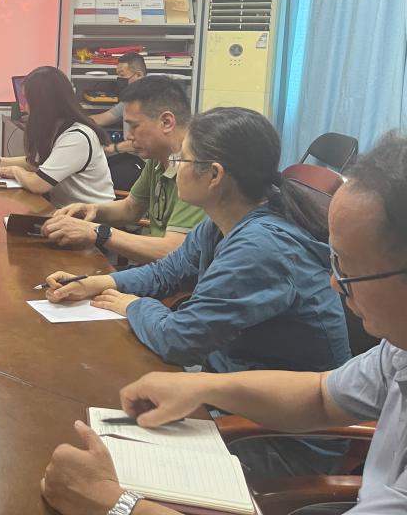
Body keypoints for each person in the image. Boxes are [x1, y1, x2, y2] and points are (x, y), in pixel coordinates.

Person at [40, 132, 407, 515]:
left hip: (280, 444)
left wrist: (117, 506)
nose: (333, 283)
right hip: (267, 425)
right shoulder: (396, 352)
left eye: (348, 268)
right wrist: (201, 386)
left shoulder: (264, 245)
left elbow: (180, 339)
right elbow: (321, 394)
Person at [44, 106, 349, 374]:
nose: (174, 167)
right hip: (230, 381)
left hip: (271, 416)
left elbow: (180, 341)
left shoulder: (261, 246)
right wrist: (96, 283)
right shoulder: (220, 223)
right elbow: (168, 272)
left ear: (214, 175)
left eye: (182, 159)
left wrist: (133, 305)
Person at [41, 76, 205, 265]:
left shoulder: (198, 169)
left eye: (134, 126)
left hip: (175, 277)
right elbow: (131, 208)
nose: (129, 135)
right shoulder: (159, 158)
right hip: (155, 271)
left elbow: (174, 251)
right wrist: (92, 209)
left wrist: (97, 233)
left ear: (166, 122)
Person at [0, 66, 114, 207]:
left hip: (92, 218)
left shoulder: (77, 137)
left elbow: (38, 184)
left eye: (28, 101)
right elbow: (36, 163)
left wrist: (15, 171)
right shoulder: (57, 128)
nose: (24, 107)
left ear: (43, 104)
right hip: (64, 212)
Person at [90, 53, 146, 190]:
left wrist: (112, 148)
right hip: (129, 156)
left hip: (144, 162)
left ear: (139, 75)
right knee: (93, 171)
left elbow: (142, 142)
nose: (119, 80)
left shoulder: (151, 102)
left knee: (100, 181)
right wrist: (73, 117)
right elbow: (104, 118)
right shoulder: (128, 101)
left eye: (122, 75)